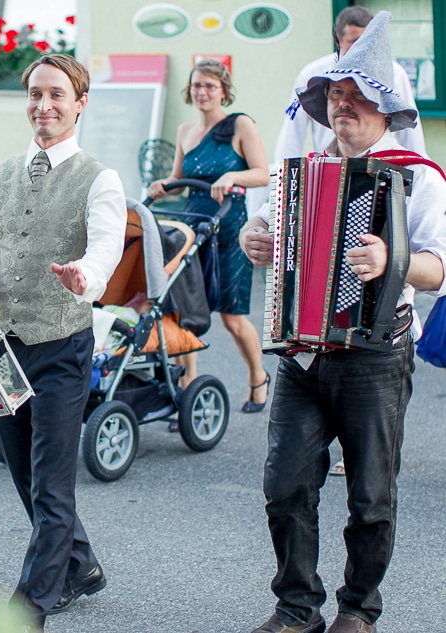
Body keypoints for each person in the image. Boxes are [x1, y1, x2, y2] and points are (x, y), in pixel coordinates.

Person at [239, 12, 446, 633]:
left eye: (357, 96)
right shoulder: (302, 170)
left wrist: (394, 260)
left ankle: (358, 609)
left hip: (377, 353)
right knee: (285, 486)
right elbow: (276, 237)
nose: (343, 105)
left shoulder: (420, 176)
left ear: (386, 107)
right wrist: (258, 238)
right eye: (335, 94)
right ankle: (296, 607)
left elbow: (439, 268)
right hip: (303, 352)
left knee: (370, 496)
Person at [0, 54, 125, 631]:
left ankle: (29, 608)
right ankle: (81, 566)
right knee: (24, 476)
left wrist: (84, 278)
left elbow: (105, 252)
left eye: (57, 95)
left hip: (63, 345)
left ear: (79, 102)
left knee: (52, 483)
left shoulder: (100, 178)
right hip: (2, 349)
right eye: (36, 95)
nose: (44, 106)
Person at [146, 59, 271, 414]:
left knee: (232, 318)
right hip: (191, 226)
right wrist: (163, 187)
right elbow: (178, 179)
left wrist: (233, 178)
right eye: (197, 85)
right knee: (186, 312)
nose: (202, 92)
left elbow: (262, 173)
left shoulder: (240, 125)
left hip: (229, 226)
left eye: (210, 86)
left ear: (223, 91)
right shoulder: (186, 129)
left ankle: (257, 376)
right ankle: (186, 393)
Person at [274, 5, 427, 161]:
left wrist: (417, 165)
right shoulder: (313, 73)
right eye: (354, 42)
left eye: (366, 41)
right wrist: (285, 174)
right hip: (329, 166)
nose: (360, 49)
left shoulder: (395, 74)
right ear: (339, 41)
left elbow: (412, 135)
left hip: (382, 165)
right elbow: (292, 132)